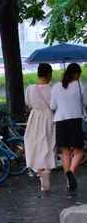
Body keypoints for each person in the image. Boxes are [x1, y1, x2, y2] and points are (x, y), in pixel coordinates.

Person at [50, 63, 87, 192]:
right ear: (76, 74)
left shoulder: (55, 87)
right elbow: (86, 102)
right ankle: (71, 171)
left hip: (60, 121)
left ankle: (68, 182)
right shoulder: (79, 85)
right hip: (75, 120)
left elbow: (52, 106)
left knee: (65, 152)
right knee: (79, 150)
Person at [24, 63, 55, 191]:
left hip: (34, 117)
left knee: (34, 144)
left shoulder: (30, 88)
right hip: (49, 117)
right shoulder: (53, 88)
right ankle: (46, 170)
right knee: (48, 144)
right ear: (49, 74)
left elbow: (28, 103)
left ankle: (39, 170)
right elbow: (55, 105)